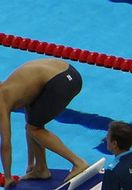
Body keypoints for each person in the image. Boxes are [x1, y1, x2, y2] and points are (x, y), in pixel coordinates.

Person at [0, 58, 88, 186]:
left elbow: (5, 144)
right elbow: (30, 120)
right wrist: (31, 164)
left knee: (34, 129)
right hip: (70, 72)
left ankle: (78, 162)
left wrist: (7, 177)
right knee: (34, 126)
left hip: (61, 82)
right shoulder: (14, 87)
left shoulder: (2, 101)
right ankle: (41, 168)